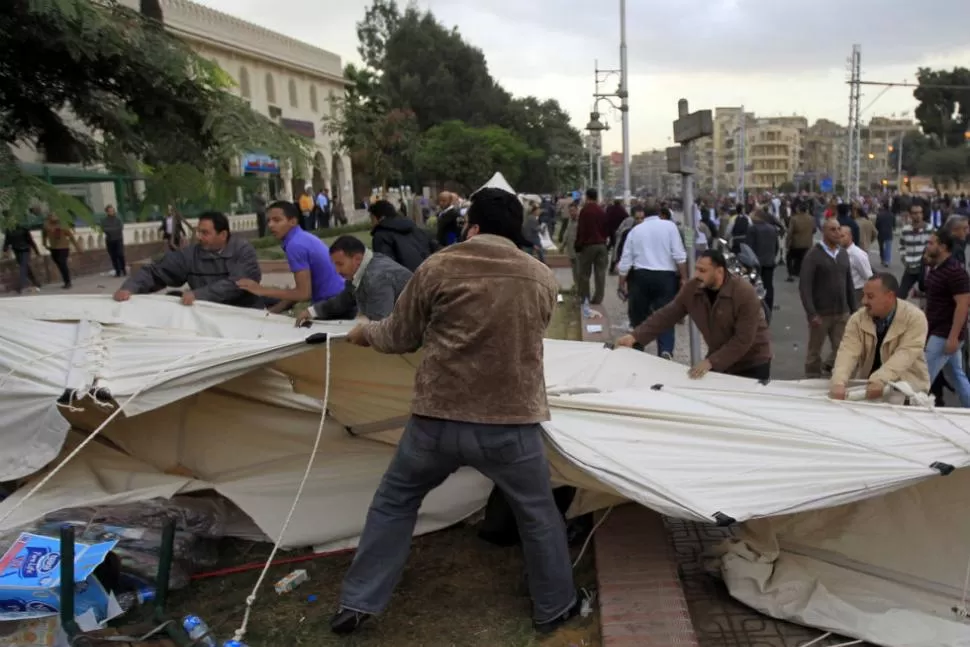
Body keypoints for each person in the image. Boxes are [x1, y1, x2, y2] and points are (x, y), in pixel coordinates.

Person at [330, 184, 580, 637]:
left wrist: (364, 333)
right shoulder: (540, 275)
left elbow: (400, 336)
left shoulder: (438, 266)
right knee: (539, 513)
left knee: (394, 502)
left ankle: (357, 603)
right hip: (511, 424)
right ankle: (555, 607)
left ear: (473, 226)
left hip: (436, 420)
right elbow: (534, 333)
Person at [616, 249, 773, 380]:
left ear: (719, 271)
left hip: (752, 363)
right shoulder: (693, 288)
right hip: (719, 359)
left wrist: (711, 362)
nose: (697, 274)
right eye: (697, 268)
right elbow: (667, 314)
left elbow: (743, 339)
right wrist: (635, 336)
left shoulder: (743, 292)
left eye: (703, 270)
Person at [114, 211, 262, 308]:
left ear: (223, 235)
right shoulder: (191, 254)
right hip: (205, 314)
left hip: (244, 313)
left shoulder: (243, 251)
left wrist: (198, 295)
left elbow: (237, 284)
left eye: (205, 233)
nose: (199, 237)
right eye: (198, 232)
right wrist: (130, 288)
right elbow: (156, 272)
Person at [830, 273, 929, 401]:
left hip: (908, 389)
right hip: (869, 389)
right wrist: (838, 382)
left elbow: (906, 353)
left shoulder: (915, 318)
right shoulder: (857, 319)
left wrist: (880, 379)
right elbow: (847, 352)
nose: (863, 301)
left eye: (870, 297)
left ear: (890, 296)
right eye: (863, 295)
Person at [236, 201, 346, 313]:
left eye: (277, 220)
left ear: (293, 221)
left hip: (335, 305)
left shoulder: (295, 245)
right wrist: (274, 311)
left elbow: (303, 294)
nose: (270, 225)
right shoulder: (301, 238)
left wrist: (262, 290)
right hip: (339, 299)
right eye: (268, 221)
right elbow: (302, 288)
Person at [617, 201, 687, 359]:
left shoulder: (635, 231)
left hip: (640, 277)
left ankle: (638, 347)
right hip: (666, 278)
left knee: (639, 316)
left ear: (644, 214)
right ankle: (665, 349)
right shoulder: (670, 227)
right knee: (666, 315)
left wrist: (621, 283)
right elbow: (679, 255)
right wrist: (684, 277)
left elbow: (626, 260)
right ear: (659, 213)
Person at [295, 235, 412, 324]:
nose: (337, 270)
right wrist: (312, 311)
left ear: (357, 259)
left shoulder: (376, 277)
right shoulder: (362, 268)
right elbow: (344, 300)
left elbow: (379, 323)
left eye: (340, 264)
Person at [799, 218, 857, 378]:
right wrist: (811, 313)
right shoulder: (813, 255)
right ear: (824, 231)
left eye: (839, 229)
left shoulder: (843, 254)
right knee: (814, 351)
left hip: (842, 312)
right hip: (821, 314)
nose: (837, 233)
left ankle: (838, 377)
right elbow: (805, 286)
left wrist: (854, 310)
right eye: (833, 229)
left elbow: (849, 284)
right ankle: (811, 379)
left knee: (842, 349)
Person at [922, 229, 970, 407]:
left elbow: (963, 305)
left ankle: (912, 412)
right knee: (957, 375)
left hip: (944, 334)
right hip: (936, 329)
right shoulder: (937, 268)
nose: (927, 246)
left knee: (923, 377)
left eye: (931, 243)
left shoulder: (955, 272)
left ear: (943, 247)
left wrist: (954, 337)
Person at [368, 199, 436, 272]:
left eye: (372, 218)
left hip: (407, 280)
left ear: (381, 217)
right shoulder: (417, 229)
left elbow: (386, 267)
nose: (371, 222)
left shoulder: (381, 236)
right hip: (429, 274)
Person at [574, 188, 609, 304]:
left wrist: (578, 244)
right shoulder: (601, 210)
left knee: (584, 273)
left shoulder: (585, 211)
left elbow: (582, 229)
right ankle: (598, 298)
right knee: (600, 273)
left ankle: (585, 298)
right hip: (602, 245)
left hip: (589, 246)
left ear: (587, 197)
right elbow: (606, 227)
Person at [745, 209, 779, 314]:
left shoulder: (752, 229)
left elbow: (748, 247)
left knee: (755, 286)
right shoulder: (772, 229)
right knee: (768, 285)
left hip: (756, 262)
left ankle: (756, 308)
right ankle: (768, 307)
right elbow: (776, 246)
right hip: (769, 261)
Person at [897, 203, 932, 298]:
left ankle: (918, 295)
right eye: (915, 213)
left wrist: (929, 259)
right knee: (900, 295)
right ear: (910, 215)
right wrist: (904, 259)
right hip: (910, 267)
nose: (918, 215)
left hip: (924, 267)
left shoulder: (930, 229)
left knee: (929, 294)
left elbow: (934, 246)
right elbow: (901, 246)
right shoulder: (905, 230)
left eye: (920, 212)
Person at [42, 212, 82, 289]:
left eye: (55, 216)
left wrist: (78, 247)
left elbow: (71, 236)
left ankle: (68, 282)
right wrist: (44, 244)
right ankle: (66, 280)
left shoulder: (63, 226)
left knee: (62, 263)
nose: (53, 217)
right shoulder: (46, 226)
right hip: (53, 248)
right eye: (51, 216)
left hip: (63, 248)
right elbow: (44, 236)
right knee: (59, 265)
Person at [3, 216, 42, 293]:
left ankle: (22, 285)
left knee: (23, 267)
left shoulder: (23, 229)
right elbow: (7, 241)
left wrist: (37, 251)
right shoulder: (9, 231)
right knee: (25, 267)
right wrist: (5, 249)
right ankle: (35, 282)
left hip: (25, 250)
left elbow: (30, 241)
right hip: (17, 251)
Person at [840, 225, 873, 306]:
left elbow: (868, 275)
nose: (840, 239)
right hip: (845, 290)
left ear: (850, 236)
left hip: (856, 292)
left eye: (842, 236)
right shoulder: (841, 252)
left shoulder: (857, 254)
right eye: (838, 236)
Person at [785, 200, 815, 281]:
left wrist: (787, 244)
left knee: (789, 257)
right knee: (803, 258)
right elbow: (814, 230)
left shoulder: (794, 219)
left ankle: (791, 274)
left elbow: (790, 232)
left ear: (798, 209)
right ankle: (801, 272)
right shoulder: (811, 218)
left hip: (796, 244)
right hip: (808, 244)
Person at [560, 201, 581, 291]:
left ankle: (581, 288)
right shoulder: (570, 220)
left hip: (579, 250)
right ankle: (576, 286)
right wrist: (562, 245)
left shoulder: (581, 220)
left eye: (573, 211)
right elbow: (567, 233)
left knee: (579, 270)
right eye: (570, 211)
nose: (571, 213)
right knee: (574, 270)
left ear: (577, 210)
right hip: (570, 249)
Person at [101, 204, 126, 277]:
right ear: (107, 212)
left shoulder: (118, 219)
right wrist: (113, 230)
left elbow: (120, 228)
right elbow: (104, 229)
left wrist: (111, 230)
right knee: (113, 256)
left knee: (120, 254)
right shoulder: (104, 221)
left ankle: (123, 269)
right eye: (110, 211)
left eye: (112, 211)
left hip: (118, 239)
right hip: (110, 240)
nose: (112, 212)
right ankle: (117, 271)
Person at [875, 201, 895, 268]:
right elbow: (894, 224)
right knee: (888, 247)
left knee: (881, 247)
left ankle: (882, 259)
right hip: (889, 233)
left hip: (881, 233)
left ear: (883, 207)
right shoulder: (892, 214)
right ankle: (887, 261)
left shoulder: (879, 215)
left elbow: (876, 225)